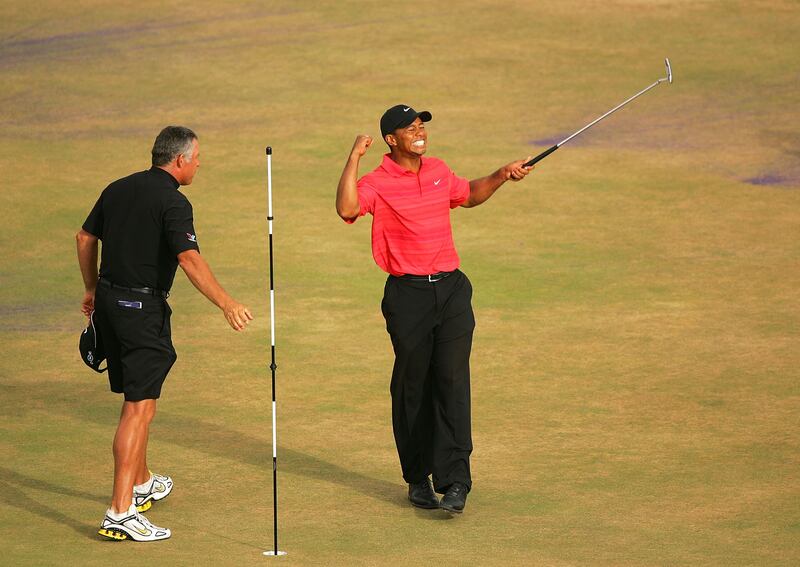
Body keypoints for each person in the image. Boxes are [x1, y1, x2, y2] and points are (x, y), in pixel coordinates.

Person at [336, 105, 533, 514]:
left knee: (452, 381)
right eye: (410, 127)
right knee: (413, 386)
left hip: (452, 291)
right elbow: (347, 209)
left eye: (421, 124)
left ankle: (456, 480)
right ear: (391, 140)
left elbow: (467, 195)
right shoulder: (378, 180)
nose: (419, 130)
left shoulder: (440, 169)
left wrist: (500, 175)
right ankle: (417, 476)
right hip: (408, 297)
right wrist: (354, 157)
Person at [76, 126, 253, 541]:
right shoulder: (174, 202)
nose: (198, 164)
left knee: (139, 400)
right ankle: (121, 510)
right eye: (196, 158)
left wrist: (90, 288)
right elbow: (189, 259)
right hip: (142, 313)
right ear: (179, 161)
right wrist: (226, 303)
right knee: (138, 408)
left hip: (110, 304)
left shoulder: (118, 187)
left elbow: (85, 237)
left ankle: (141, 482)